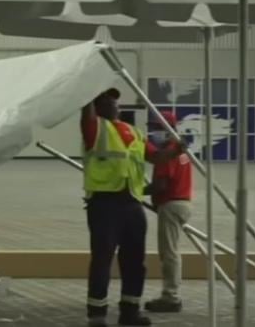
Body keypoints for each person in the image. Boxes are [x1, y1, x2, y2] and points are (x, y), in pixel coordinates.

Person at [80, 88, 186, 327]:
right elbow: (85, 108)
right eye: (106, 100)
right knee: (102, 260)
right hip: (104, 204)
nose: (114, 103)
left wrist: (176, 150)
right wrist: (88, 85)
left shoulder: (135, 134)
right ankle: (97, 315)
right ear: (96, 107)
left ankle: (130, 311)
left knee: (135, 261)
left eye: (115, 100)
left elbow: (156, 158)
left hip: (132, 204)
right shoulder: (95, 128)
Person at [144, 111, 193, 313]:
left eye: (156, 127)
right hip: (182, 203)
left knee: (169, 253)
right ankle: (171, 294)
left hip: (171, 204)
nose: (152, 132)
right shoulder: (179, 151)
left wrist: (134, 190)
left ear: (168, 128)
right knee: (171, 251)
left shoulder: (168, 153)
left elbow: (160, 186)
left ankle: (170, 296)